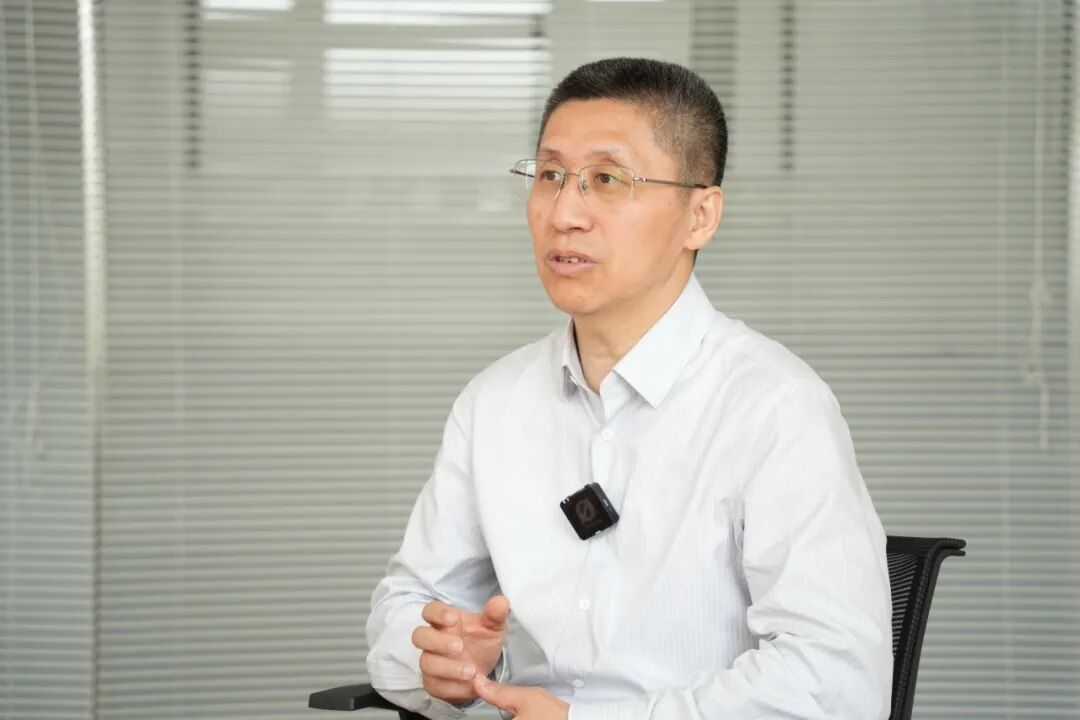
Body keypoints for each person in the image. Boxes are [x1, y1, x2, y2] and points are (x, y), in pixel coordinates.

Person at [364, 57, 892, 720]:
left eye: (607, 180)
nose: (565, 213)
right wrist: (440, 657)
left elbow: (836, 683)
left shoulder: (775, 409)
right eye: (550, 176)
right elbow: (407, 604)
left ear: (701, 215)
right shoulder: (494, 403)